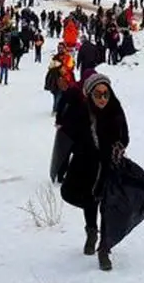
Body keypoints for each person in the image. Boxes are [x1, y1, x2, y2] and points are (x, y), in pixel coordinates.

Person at [54, 72, 129, 271]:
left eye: (106, 94)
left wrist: (118, 147)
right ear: (89, 94)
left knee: (107, 204)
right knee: (89, 201)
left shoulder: (115, 109)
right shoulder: (80, 112)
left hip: (109, 165)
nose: (103, 99)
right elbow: (66, 137)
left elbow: (125, 136)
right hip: (84, 165)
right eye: (98, 94)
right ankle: (91, 231)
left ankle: (104, 248)